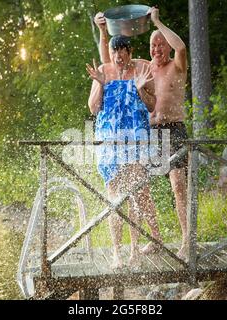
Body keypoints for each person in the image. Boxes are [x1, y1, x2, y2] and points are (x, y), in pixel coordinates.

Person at [95, 7, 190, 260]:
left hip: (173, 130)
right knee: (141, 189)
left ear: (167, 46)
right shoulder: (144, 66)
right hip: (149, 133)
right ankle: (156, 239)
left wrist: (157, 22)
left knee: (178, 185)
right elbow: (111, 64)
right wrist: (103, 31)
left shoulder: (176, 65)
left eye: (161, 45)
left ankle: (186, 241)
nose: (157, 49)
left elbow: (180, 47)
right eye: (153, 45)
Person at [86, 35, 162, 269]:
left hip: (136, 141)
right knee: (115, 200)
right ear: (109, 52)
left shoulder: (142, 69)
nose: (118, 56)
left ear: (130, 52)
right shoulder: (103, 71)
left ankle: (135, 250)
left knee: (137, 195)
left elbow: (152, 105)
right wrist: (100, 83)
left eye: (123, 51)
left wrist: (141, 90)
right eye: (114, 51)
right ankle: (117, 253)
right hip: (109, 144)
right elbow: (93, 108)